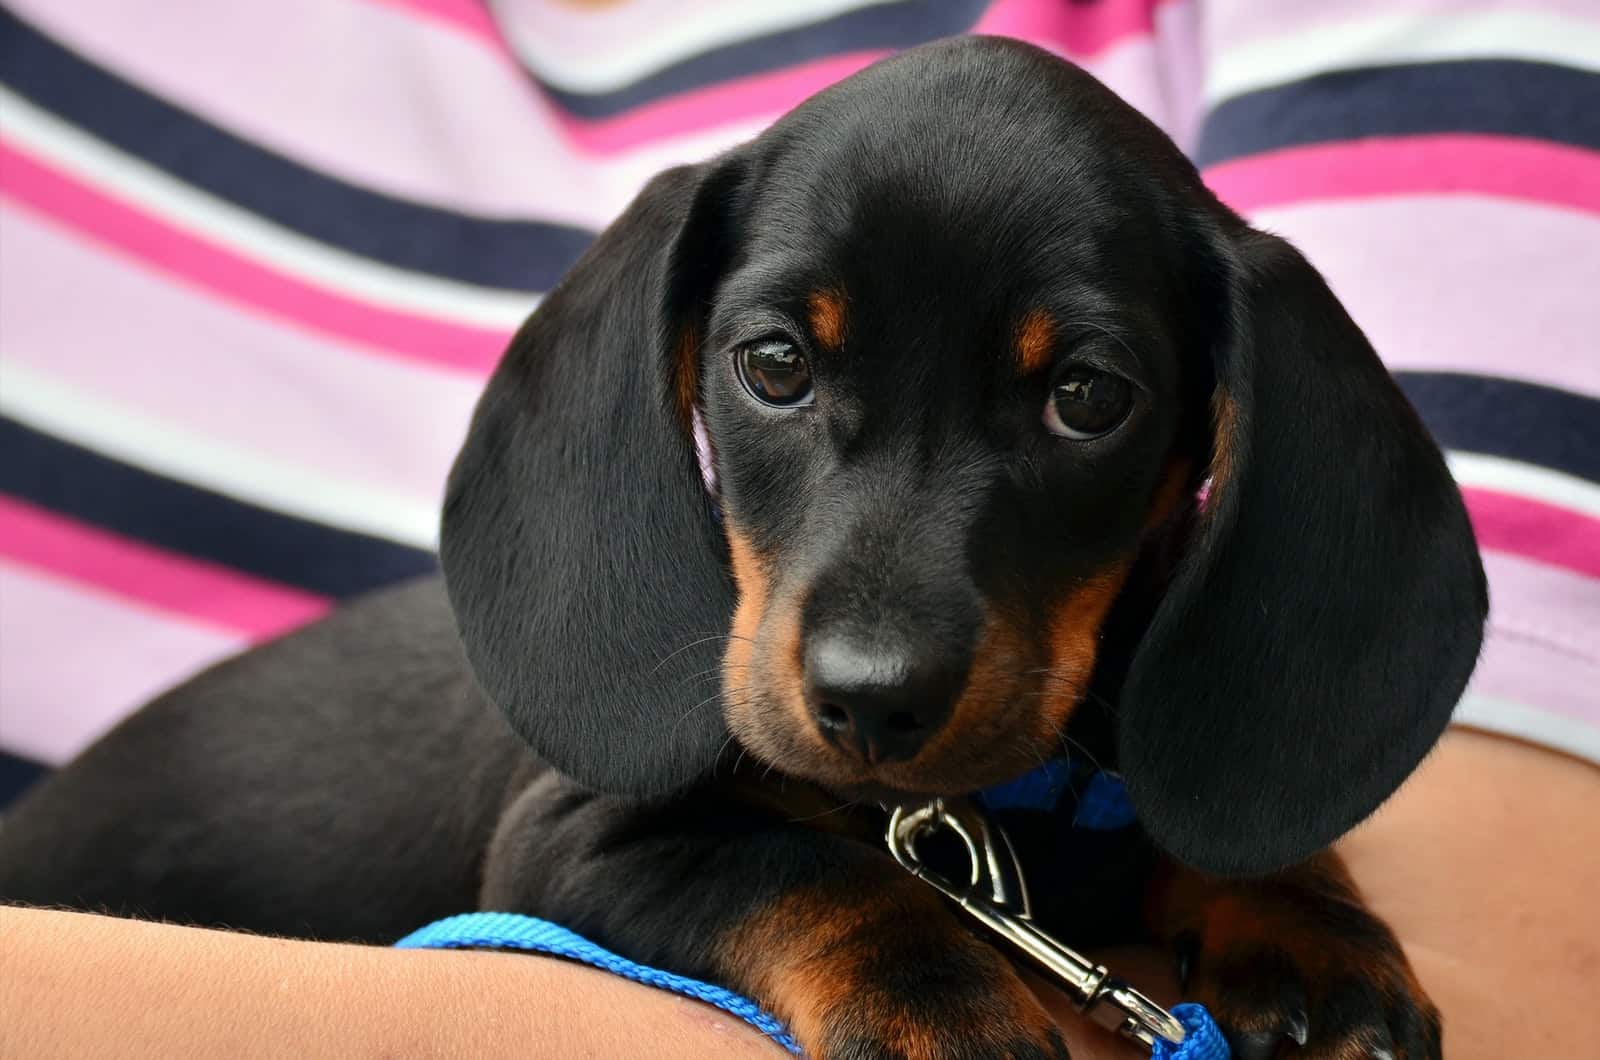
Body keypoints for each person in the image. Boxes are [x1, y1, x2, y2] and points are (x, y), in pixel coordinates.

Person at [2, 1, 1595, 1055]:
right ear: (683, 370)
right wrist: (871, 956)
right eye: (782, 370)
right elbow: (588, 848)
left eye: (1081, 399)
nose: (871, 648)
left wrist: (1265, 887)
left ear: (1215, 443)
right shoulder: (655, 720)